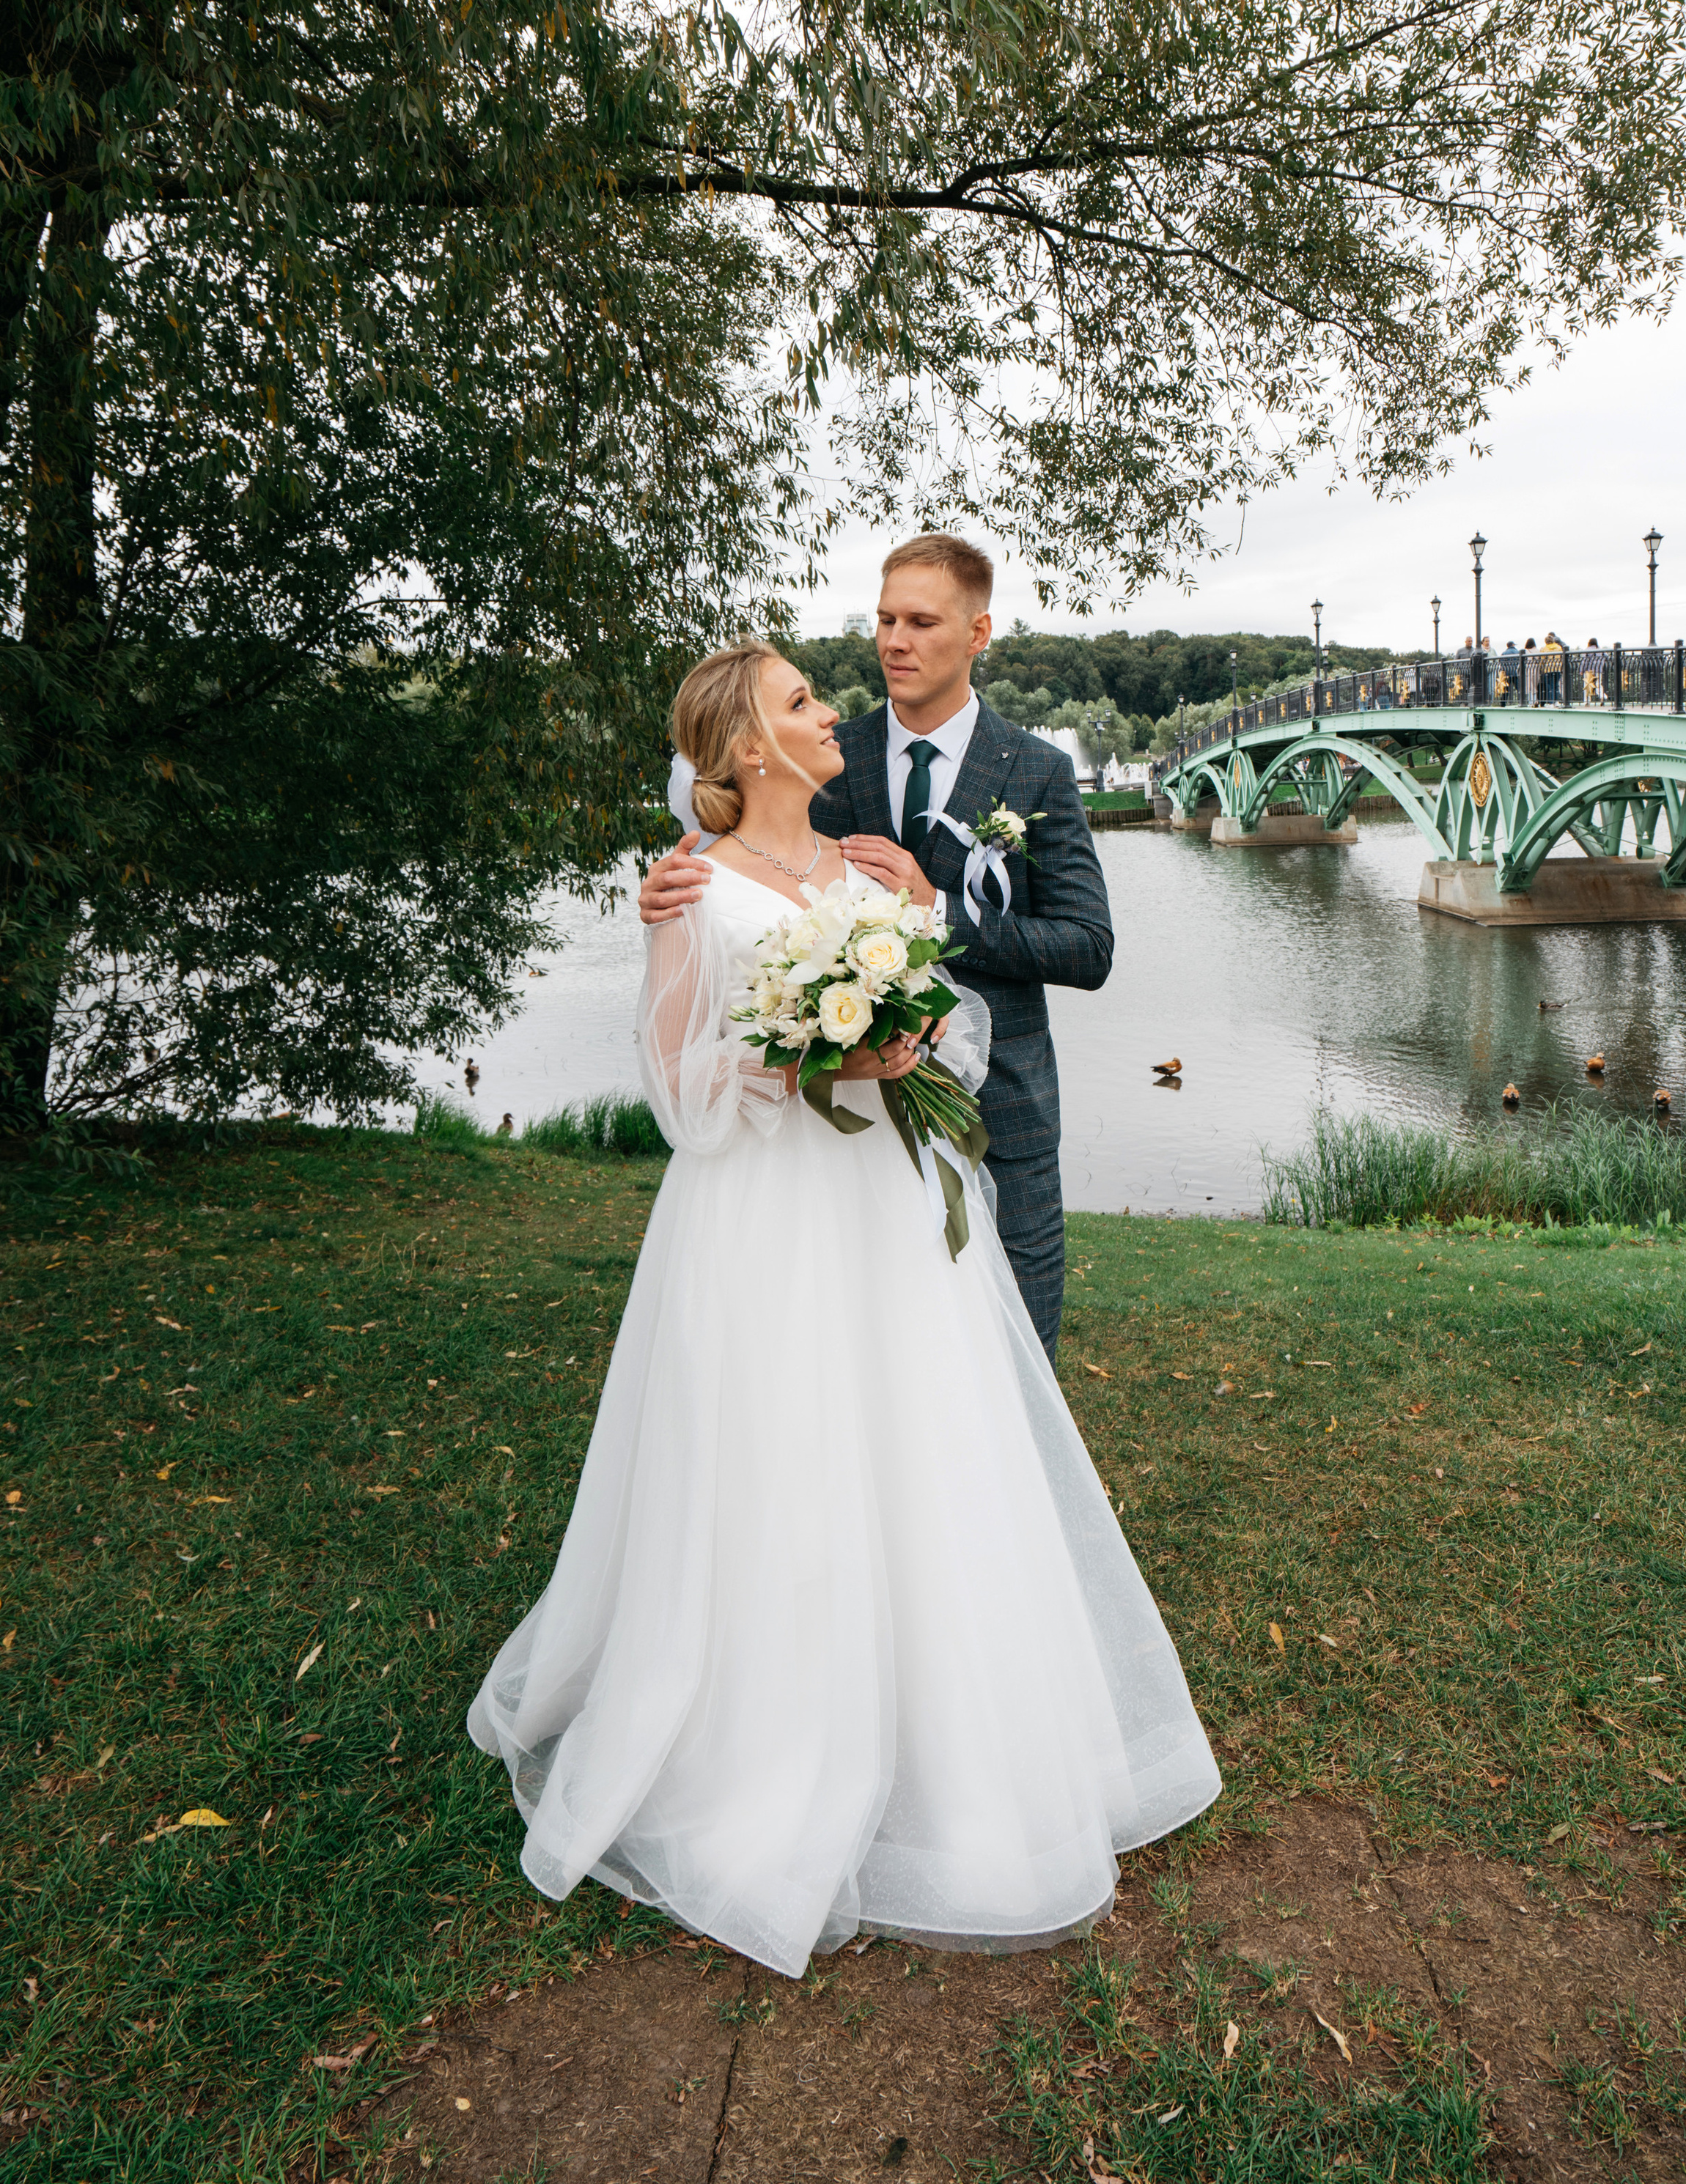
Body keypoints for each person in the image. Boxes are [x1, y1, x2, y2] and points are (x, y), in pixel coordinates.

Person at [466, 639, 1220, 1976]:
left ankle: (955, 1738)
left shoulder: (869, 866)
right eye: (803, 701)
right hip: (767, 1214)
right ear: (750, 746)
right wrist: (801, 1050)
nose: (832, 713)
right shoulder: (695, 888)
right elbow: (685, 1086)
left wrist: (901, 1037)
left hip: (889, 1200)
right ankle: (767, 1742)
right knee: (783, 1457)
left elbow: (952, 1028)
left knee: (929, 1449)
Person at [637, 531, 1111, 1360]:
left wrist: (940, 912)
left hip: (1004, 1112)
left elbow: (1087, 946)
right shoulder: (822, 754)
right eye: (885, 618)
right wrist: (664, 893)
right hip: (833, 1138)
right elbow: (744, 874)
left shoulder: (1034, 770)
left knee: (1016, 1363)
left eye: (922, 621)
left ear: (977, 634)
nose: (895, 641)